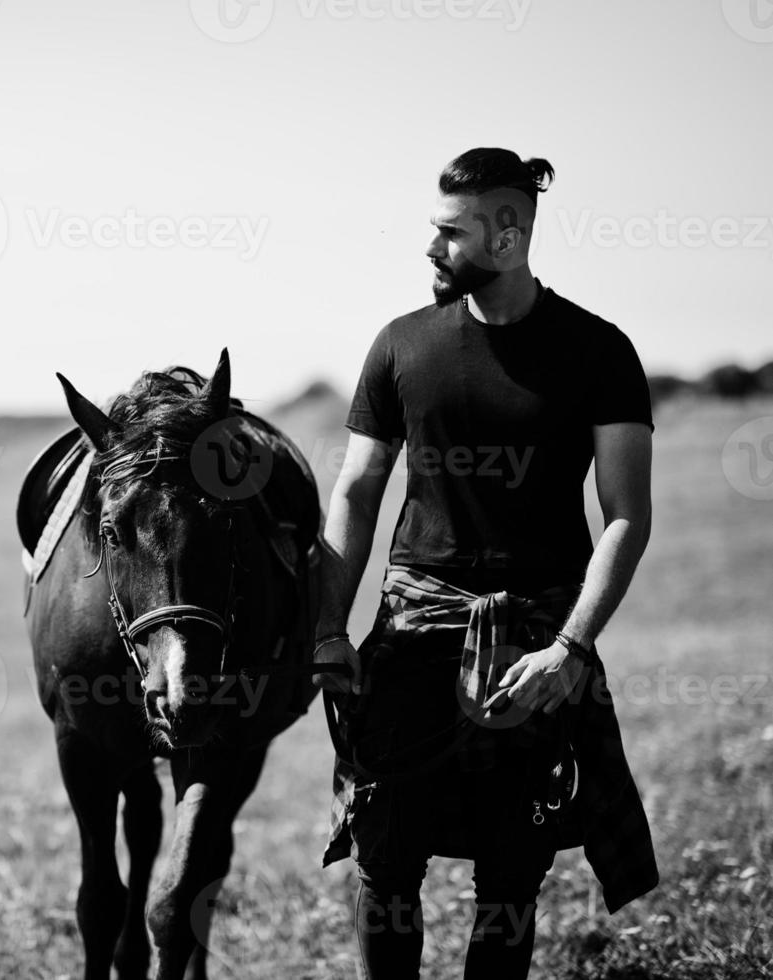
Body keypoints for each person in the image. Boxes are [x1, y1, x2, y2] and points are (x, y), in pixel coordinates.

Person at [311, 147, 659, 979]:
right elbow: (356, 491)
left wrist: (566, 652)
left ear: (508, 235)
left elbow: (626, 518)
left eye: (449, 234)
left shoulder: (599, 352)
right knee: (384, 861)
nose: (431, 251)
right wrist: (328, 628)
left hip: (533, 647)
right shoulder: (399, 346)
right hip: (409, 636)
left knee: (511, 877)